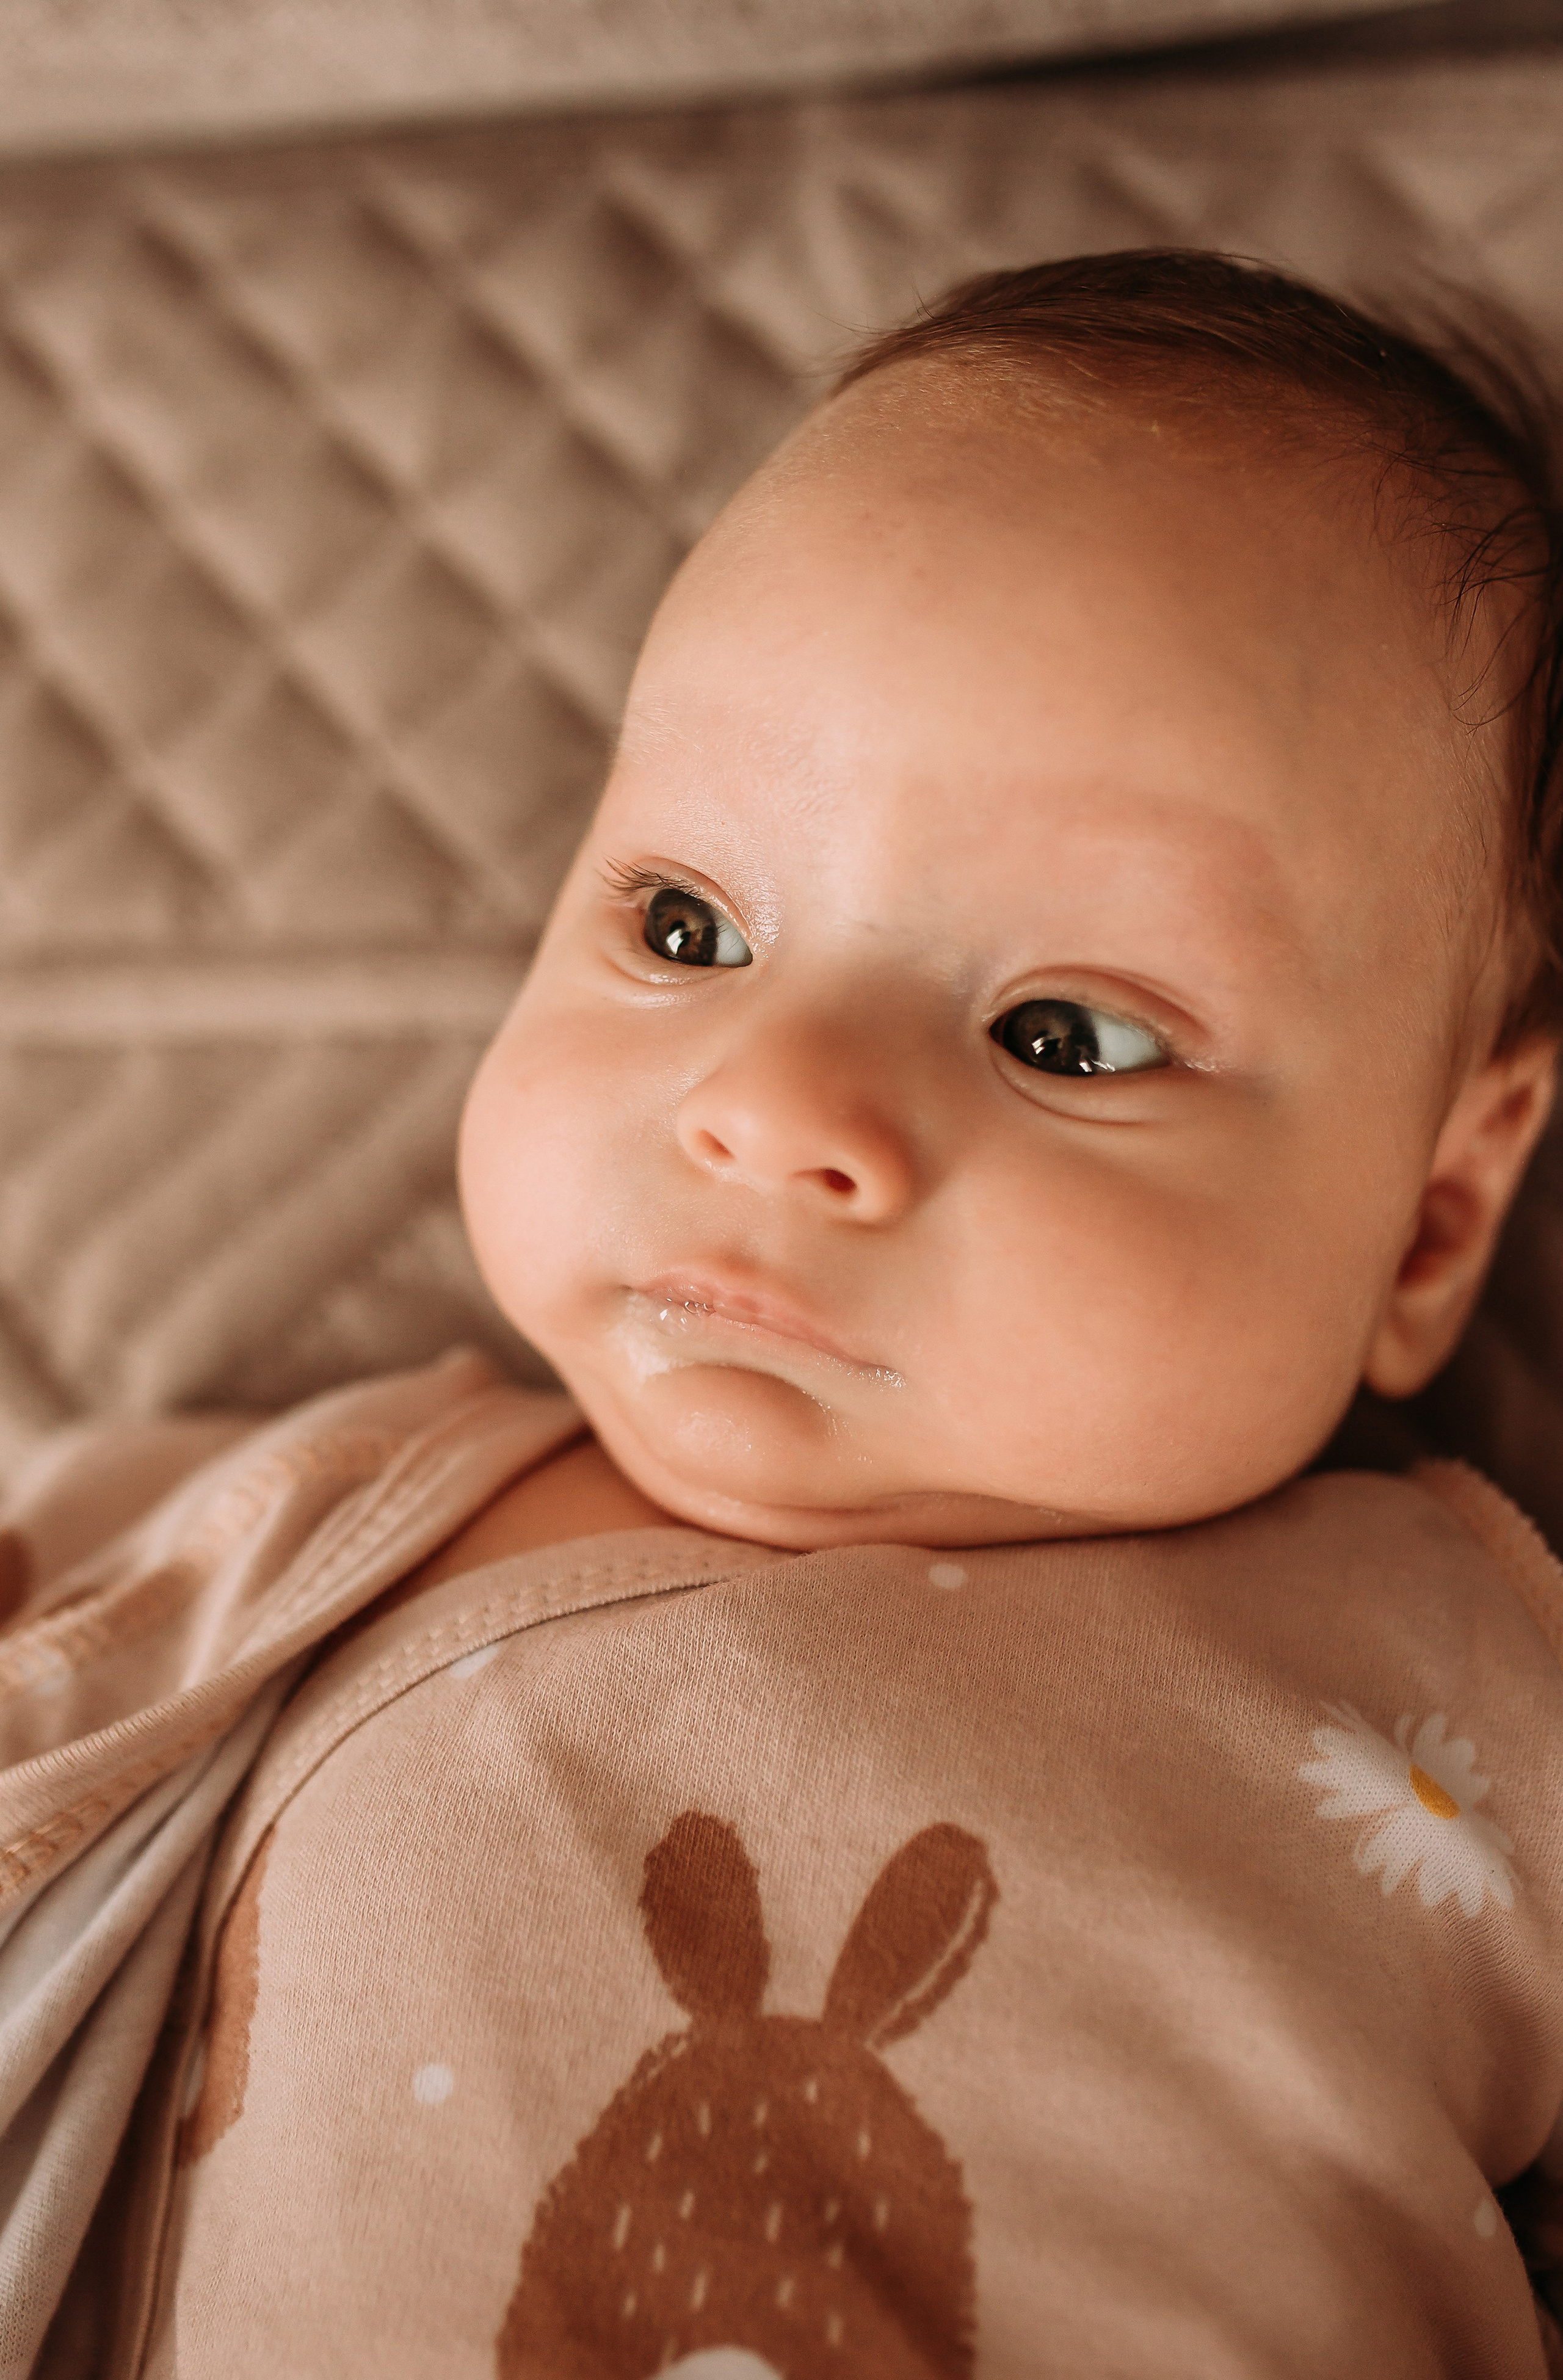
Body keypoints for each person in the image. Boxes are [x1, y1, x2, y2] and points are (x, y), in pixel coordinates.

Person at [6, 249, 1563, 2377]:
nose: (772, 1107)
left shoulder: (1476, 1659)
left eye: (1066, 1034)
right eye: (685, 922)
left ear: (1429, 1220)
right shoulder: (282, 1514)